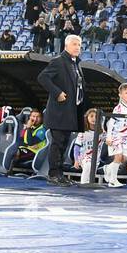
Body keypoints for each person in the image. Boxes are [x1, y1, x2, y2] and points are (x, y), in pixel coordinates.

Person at [35, 35, 87, 185]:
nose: (78, 47)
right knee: (57, 143)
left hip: (71, 111)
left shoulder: (77, 64)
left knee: (64, 144)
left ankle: (59, 174)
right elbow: (42, 77)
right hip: (59, 112)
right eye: (75, 44)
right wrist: (57, 92)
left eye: (79, 45)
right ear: (66, 46)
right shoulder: (58, 61)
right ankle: (53, 175)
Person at [7, 109, 47, 176]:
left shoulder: (42, 130)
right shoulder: (27, 128)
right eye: (33, 116)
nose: (35, 119)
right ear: (30, 117)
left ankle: (8, 173)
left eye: (38, 117)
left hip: (35, 153)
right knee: (11, 149)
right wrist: (27, 145)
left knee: (16, 152)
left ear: (42, 118)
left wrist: (28, 128)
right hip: (25, 150)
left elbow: (30, 142)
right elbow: (20, 141)